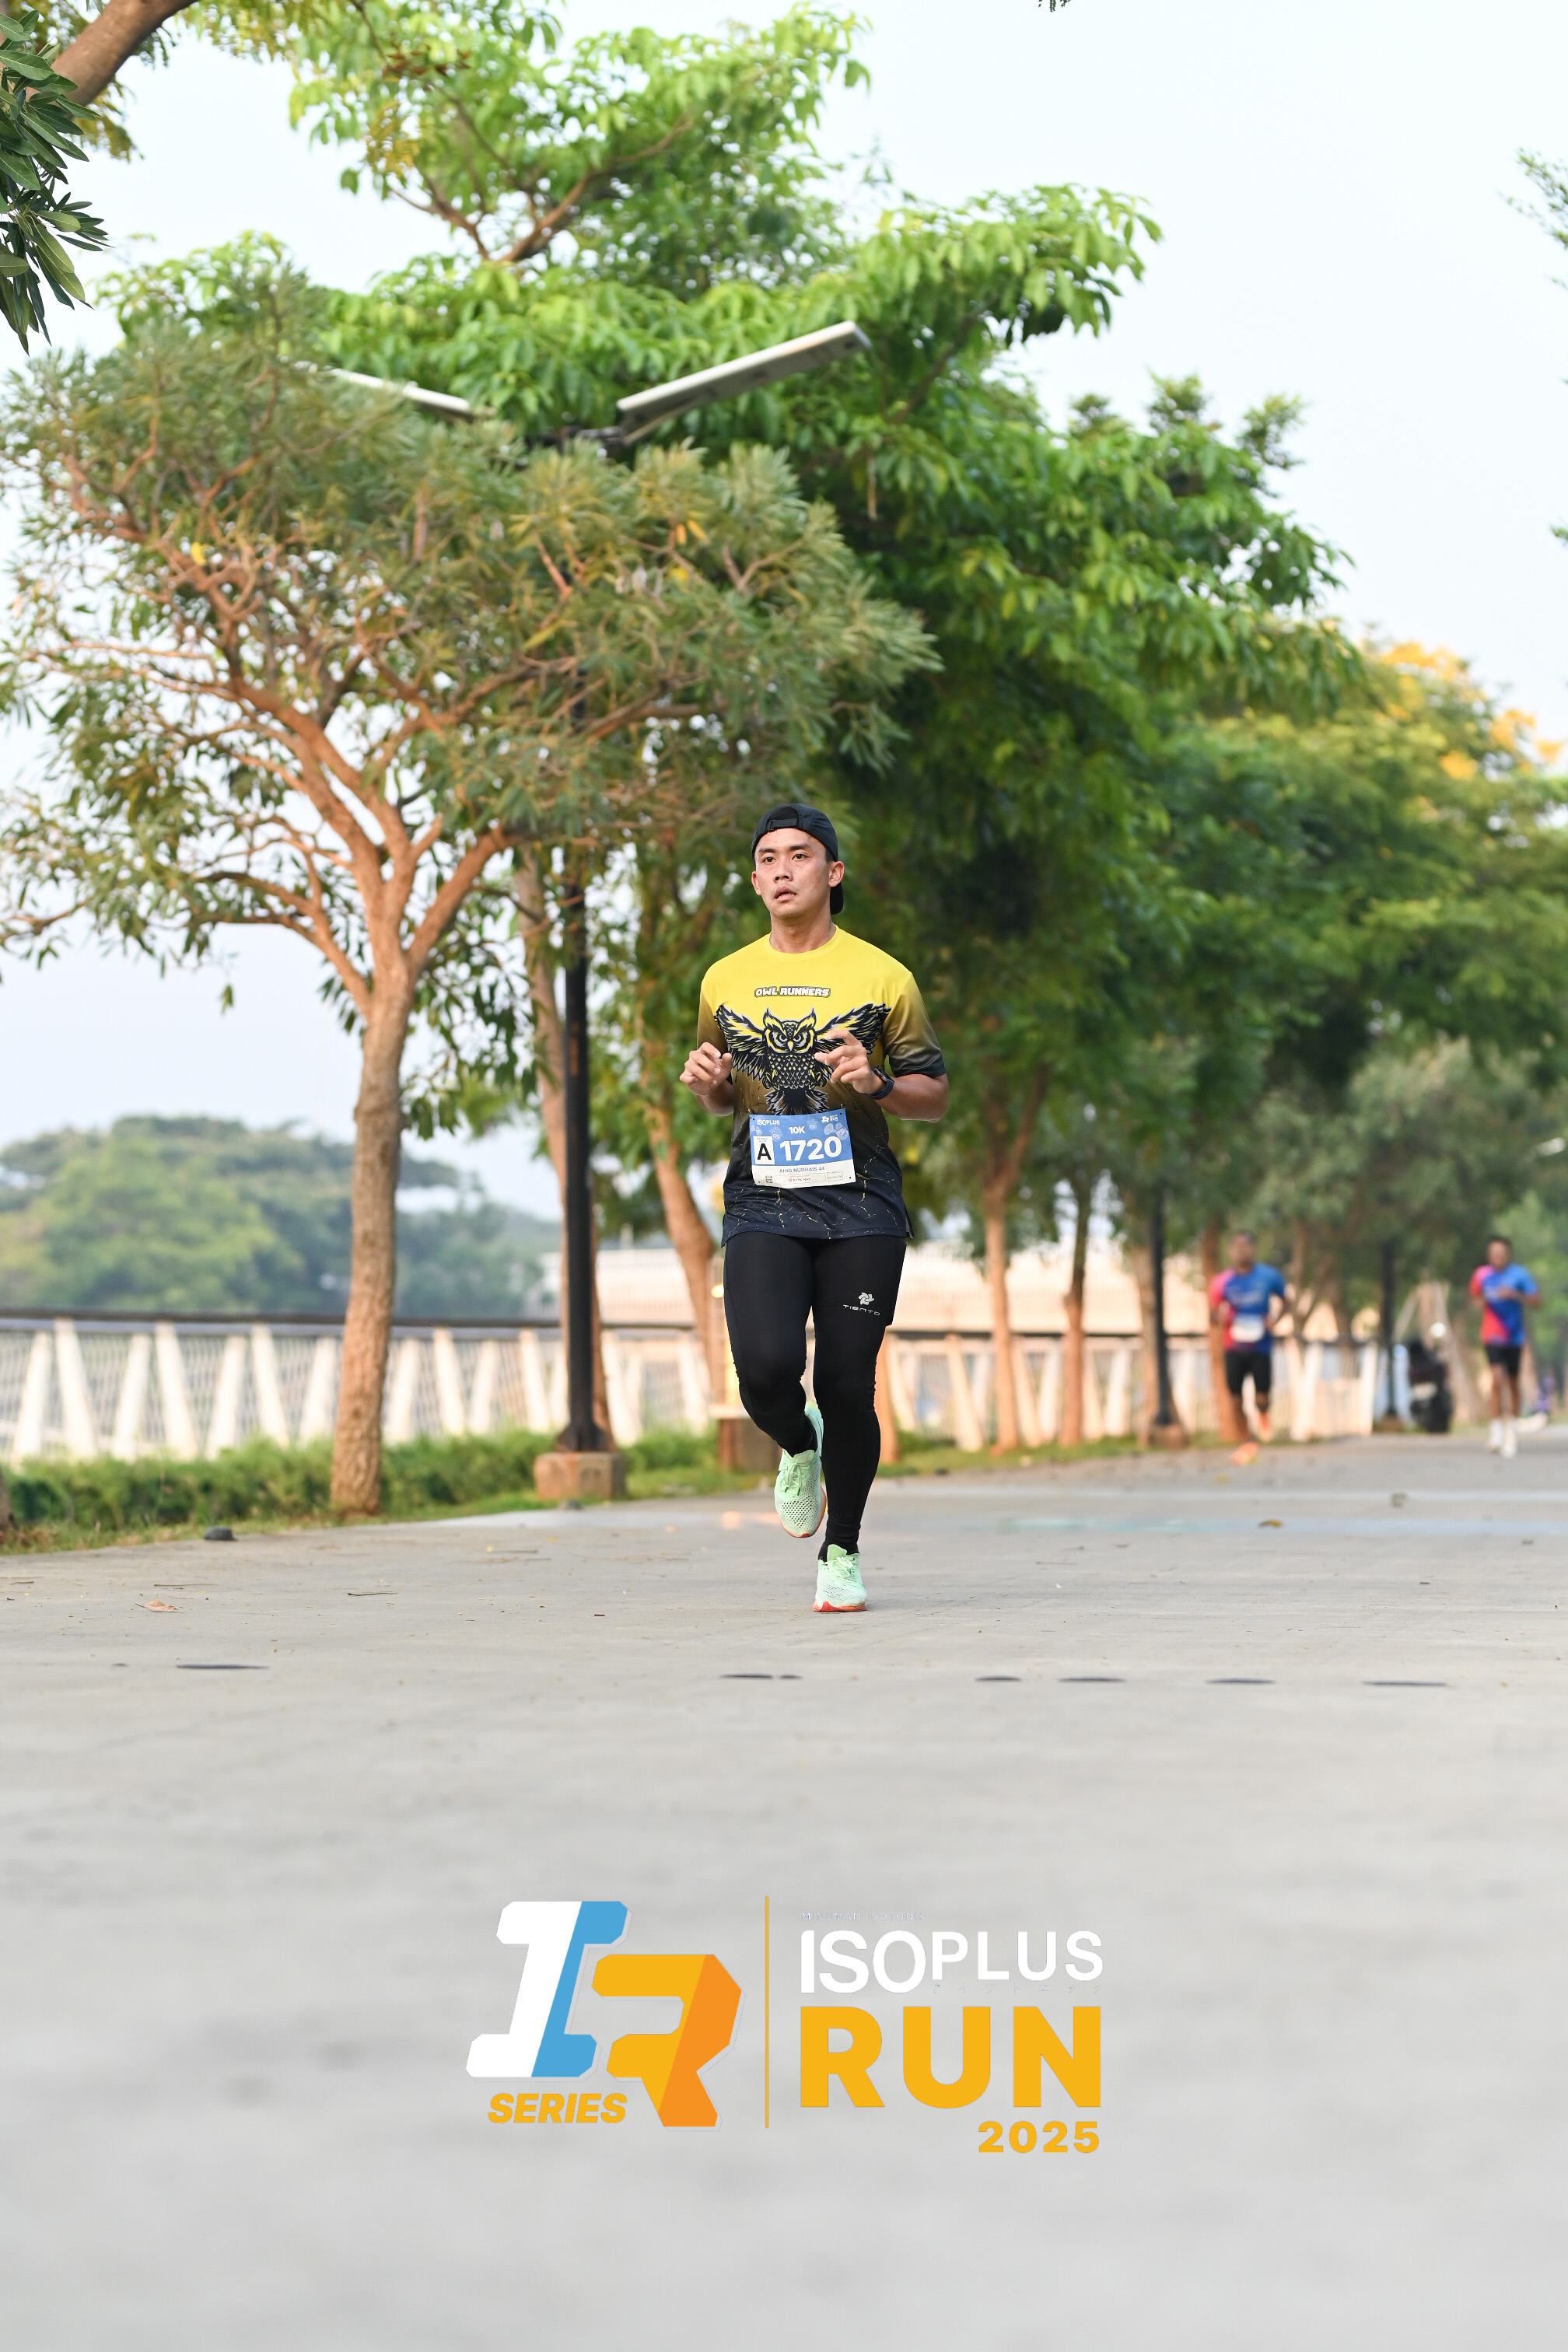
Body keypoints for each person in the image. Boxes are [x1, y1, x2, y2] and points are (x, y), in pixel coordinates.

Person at [680, 803, 947, 1613]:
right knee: (764, 1369)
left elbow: (933, 1095)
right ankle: (798, 1445)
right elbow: (723, 1094)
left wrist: (879, 1083)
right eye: (768, 858)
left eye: (799, 855)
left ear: (833, 872)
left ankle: (843, 1551)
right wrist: (709, 1087)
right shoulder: (725, 979)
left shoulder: (883, 977)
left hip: (861, 1204)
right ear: (755, 879)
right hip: (763, 1200)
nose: (782, 870)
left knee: (845, 1381)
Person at [1209, 1231, 1290, 1460]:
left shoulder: (1269, 1276)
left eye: (1245, 1246)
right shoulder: (1222, 1282)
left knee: (1261, 1397)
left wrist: (1275, 1320)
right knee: (1235, 1399)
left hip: (1260, 1346)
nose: (1241, 1251)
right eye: (1237, 1247)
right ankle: (1247, 1439)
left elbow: (1286, 1301)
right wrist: (1219, 1318)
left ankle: (1263, 1415)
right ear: (1230, 1251)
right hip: (1233, 1346)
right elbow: (1212, 1314)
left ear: (1253, 1249)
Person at [1469, 1234, 1542, 1458]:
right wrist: (1483, 1300)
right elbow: (1475, 1299)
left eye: (1501, 1253)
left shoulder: (1520, 1275)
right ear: (1489, 1255)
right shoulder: (1482, 1275)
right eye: (1494, 1253)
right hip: (1492, 1335)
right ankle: (1496, 1433)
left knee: (1512, 1383)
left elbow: (1536, 1301)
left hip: (1514, 1337)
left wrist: (1515, 1295)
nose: (1497, 1257)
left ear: (1508, 1254)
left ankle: (1512, 1430)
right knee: (1496, 1378)